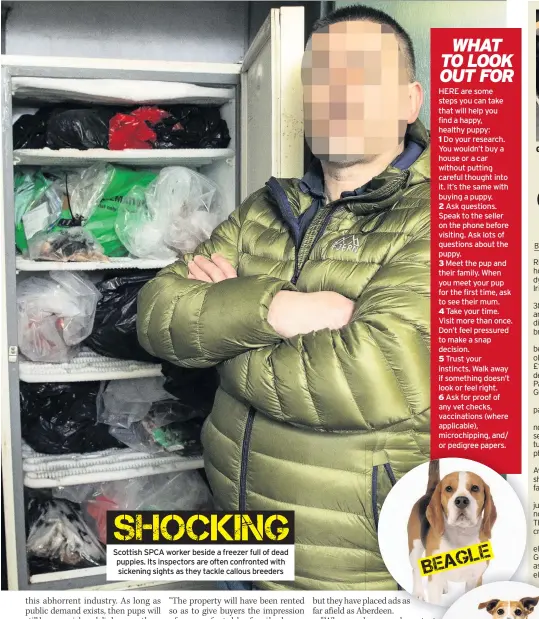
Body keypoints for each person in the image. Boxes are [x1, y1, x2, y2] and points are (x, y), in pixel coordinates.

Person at [137, 4, 430, 591]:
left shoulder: (451, 215)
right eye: (321, 77)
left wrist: (221, 331)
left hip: (347, 569)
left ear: (409, 101)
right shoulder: (264, 209)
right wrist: (280, 309)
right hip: (234, 534)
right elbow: (155, 313)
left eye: (362, 75)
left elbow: (371, 377)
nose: (336, 92)